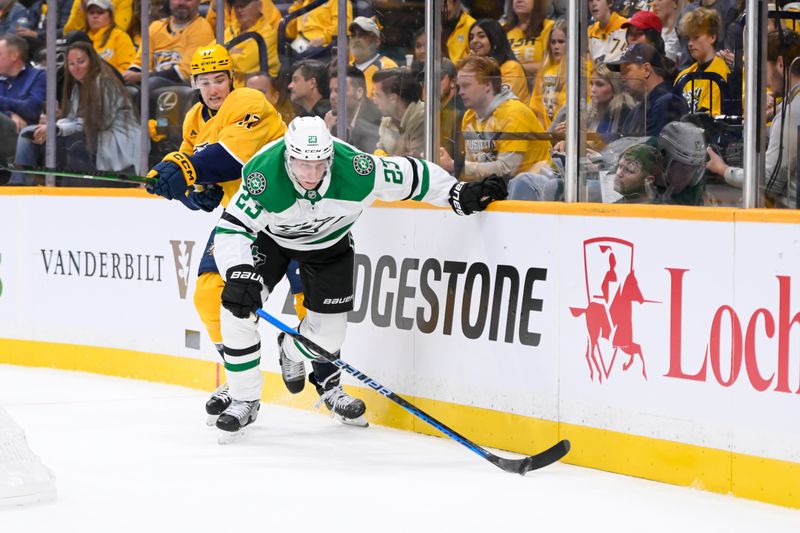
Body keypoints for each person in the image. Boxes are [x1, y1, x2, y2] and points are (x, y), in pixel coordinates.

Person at [210, 115, 507, 433]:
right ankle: (245, 399)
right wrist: (239, 272)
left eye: (320, 164)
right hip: (271, 241)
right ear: (288, 156)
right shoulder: (264, 175)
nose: (312, 174)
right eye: (302, 165)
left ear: (331, 157)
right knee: (235, 310)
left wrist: (456, 194)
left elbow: (414, 176)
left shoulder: (356, 169)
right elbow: (234, 226)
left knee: (328, 336)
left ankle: (290, 348)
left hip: (328, 246)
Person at [144, 44, 294, 421]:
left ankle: (331, 384)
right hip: (241, 217)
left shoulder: (249, 101)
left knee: (312, 298)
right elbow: (192, 172)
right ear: (195, 83)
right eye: (205, 82)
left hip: (288, 211)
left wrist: (187, 173)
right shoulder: (194, 117)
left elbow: (229, 158)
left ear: (232, 79)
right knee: (208, 294)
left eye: (220, 79)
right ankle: (239, 378)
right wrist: (188, 192)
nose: (214, 89)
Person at [11, 41, 143, 185]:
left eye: (81, 62)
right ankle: (19, 183)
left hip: (114, 138)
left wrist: (56, 129)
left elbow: (96, 123)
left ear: (92, 61)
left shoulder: (104, 82)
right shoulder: (78, 86)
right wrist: (52, 126)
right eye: (72, 63)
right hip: (90, 132)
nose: (76, 68)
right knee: (29, 133)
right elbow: (72, 118)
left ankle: (60, 187)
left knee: (71, 142)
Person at [706, 30, 800, 208]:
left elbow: (769, 183)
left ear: (780, 63)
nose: (765, 82)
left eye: (765, 69)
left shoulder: (790, 114)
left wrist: (723, 170)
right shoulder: (789, 107)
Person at [442, 55, 550, 181]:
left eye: (466, 86)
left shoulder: (514, 113)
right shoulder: (469, 116)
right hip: (495, 190)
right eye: (460, 87)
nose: (460, 92)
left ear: (488, 85)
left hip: (531, 191)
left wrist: (455, 166)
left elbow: (506, 170)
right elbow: (471, 167)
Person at [122, 0, 214, 88]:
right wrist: (127, 76)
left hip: (186, 85)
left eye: (188, 0)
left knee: (151, 83)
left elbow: (185, 73)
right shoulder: (155, 27)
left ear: (198, 2)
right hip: (152, 83)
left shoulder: (202, 29)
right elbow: (140, 63)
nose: (181, 3)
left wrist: (141, 77)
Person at [608, 43, 689, 137]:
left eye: (626, 71)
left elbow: (654, 149)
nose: (622, 78)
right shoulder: (637, 110)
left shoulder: (668, 102)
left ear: (646, 70)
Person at [0, 34, 45, 169]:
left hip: (23, 136)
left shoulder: (38, 76)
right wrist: (10, 114)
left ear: (14, 56)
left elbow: (32, 108)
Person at [674, 7, 729, 115]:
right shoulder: (684, 75)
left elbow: (707, 118)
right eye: (688, 38)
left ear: (712, 37)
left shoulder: (721, 73)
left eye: (696, 37)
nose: (690, 43)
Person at [468, 18, 529, 103]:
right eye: (471, 37)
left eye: (481, 36)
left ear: (495, 40)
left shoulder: (512, 68)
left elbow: (500, 101)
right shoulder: (477, 68)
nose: (474, 41)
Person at [324, 65, 381, 153]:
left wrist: (328, 134)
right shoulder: (332, 120)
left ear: (359, 92)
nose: (332, 96)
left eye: (339, 91)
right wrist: (328, 130)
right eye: (331, 91)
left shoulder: (376, 121)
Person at [372, 66, 425, 157]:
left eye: (378, 95)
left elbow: (417, 162)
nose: (374, 101)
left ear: (393, 98)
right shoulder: (387, 119)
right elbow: (380, 150)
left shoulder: (422, 118)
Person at [223, 0, 280, 83]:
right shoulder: (231, 29)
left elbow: (244, 65)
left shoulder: (267, 34)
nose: (239, 10)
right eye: (236, 6)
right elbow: (212, 51)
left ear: (259, 6)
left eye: (243, 5)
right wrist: (231, 53)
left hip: (254, 92)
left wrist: (225, 52)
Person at [529, 17, 566, 130]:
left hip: (564, 128)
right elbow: (535, 105)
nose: (556, 46)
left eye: (561, 42)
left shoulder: (578, 68)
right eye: (553, 42)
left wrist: (556, 97)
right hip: (543, 130)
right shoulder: (545, 69)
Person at [348, 16, 397, 99]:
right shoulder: (346, 68)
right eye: (353, 35)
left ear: (377, 41)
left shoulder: (386, 67)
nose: (356, 39)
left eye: (362, 35)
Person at [504, 0, 553, 80]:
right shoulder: (502, 29)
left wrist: (515, 69)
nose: (518, 1)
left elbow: (550, 65)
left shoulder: (548, 27)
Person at [285, 0, 352, 58]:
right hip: (298, 48)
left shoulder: (337, 1)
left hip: (323, 49)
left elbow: (342, 26)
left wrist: (323, 38)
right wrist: (297, 5)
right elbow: (290, 34)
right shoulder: (304, 2)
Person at [84, 0, 136, 73]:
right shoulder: (81, 38)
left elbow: (127, 69)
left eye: (100, 12)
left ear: (111, 16)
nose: (95, 16)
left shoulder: (119, 37)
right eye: (91, 13)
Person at [64, 0, 132, 34]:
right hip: (84, 45)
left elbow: (120, 29)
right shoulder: (80, 1)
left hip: (110, 43)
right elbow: (68, 33)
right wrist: (81, 12)